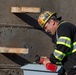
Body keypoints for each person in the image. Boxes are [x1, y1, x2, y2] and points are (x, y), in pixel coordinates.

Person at [38, 11, 76, 75]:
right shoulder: (61, 30)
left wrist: (50, 60)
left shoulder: (64, 27)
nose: (46, 30)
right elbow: (63, 55)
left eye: (45, 27)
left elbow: (62, 47)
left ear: (52, 22)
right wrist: (50, 59)